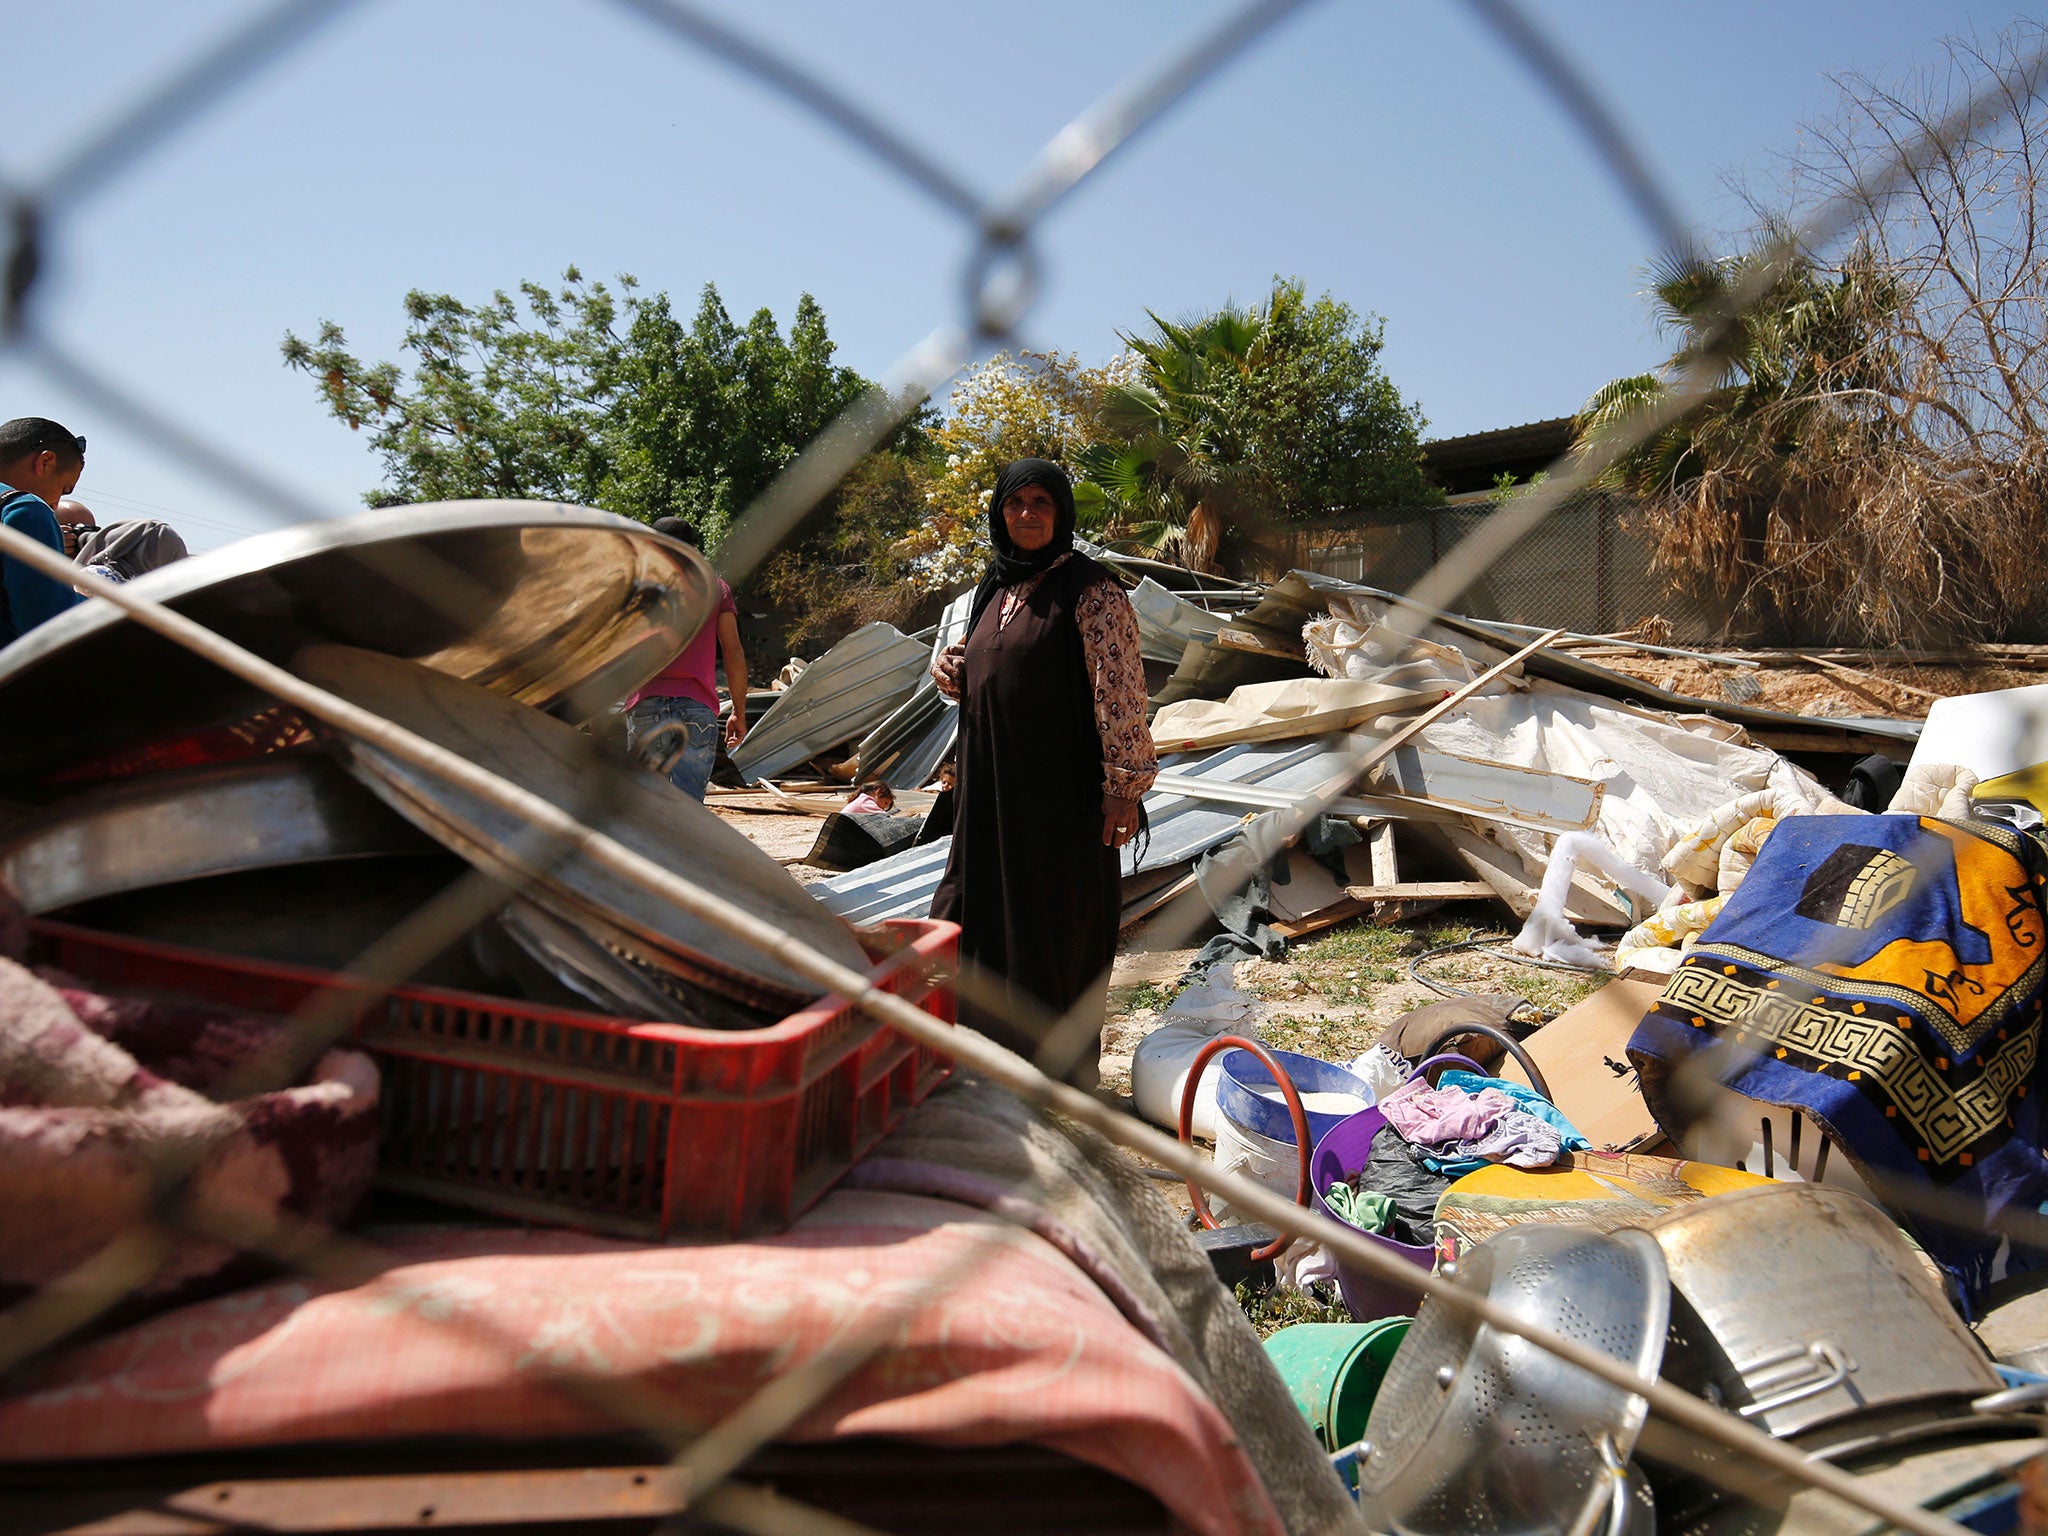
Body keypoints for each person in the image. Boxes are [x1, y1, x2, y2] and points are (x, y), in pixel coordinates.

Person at [930, 459, 1157, 1088]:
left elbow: (1121, 694)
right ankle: (981, 1061)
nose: (1028, 514)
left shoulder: (1092, 590)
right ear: (999, 512)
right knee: (974, 914)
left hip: (1061, 801)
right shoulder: (993, 588)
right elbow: (988, 667)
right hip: (991, 793)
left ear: (1062, 513)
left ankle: (1055, 1077)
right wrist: (949, 669)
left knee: (1052, 927)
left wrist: (1124, 789)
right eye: (1015, 502)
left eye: (1042, 502)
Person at [625, 516, 749, 801]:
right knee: (688, 809)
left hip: (646, 701)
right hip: (696, 708)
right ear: (694, 548)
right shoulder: (715, 588)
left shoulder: (640, 590)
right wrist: (738, 712)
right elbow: (734, 652)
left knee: (643, 806)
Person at [0, 418, 87, 646]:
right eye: (64, 489)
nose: (56, 505)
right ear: (45, 462)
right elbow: (49, 625)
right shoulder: (24, 510)